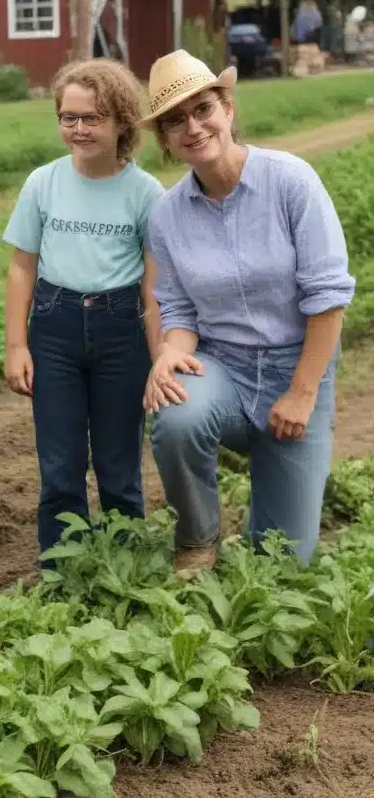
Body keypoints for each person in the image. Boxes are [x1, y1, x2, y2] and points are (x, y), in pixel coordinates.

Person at [141, 49, 355, 575]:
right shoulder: (168, 215)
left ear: (228, 107)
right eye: (175, 121)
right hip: (225, 368)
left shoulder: (291, 181)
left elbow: (327, 297)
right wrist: (169, 355)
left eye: (203, 109)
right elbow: (179, 308)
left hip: (296, 369)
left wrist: (303, 394)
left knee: (282, 565)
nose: (193, 127)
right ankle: (197, 539)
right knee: (175, 415)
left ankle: (272, 506)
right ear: (165, 139)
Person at [2, 59, 164, 560]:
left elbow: (155, 287)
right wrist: (15, 345)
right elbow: (21, 270)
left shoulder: (145, 193)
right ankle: (64, 570)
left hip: (122, 332)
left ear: (122, 122)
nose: (78, 129)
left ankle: (125, 570)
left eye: (91, 118)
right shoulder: (43, 184)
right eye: (68, 117)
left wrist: (159, 359)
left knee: (118, 466)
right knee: (60, 465)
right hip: (55, 327)